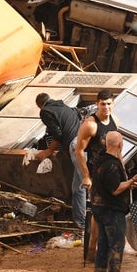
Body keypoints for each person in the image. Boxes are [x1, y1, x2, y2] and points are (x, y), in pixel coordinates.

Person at [90, 130, 137, 272]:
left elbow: (110, 185)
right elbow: (115, 189)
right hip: (111, 210)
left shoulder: (99, 160)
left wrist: (128, 184)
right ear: (120, 145)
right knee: (116, 244)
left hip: (99, 208)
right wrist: (133, 180)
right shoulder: (112, 165)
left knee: (104, 242)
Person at [26, 92, 86, 228]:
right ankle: (84, 221)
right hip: (83, 141)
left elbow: (57, 134)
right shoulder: (64, 106)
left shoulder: (45, 112)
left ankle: (82, 223)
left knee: (79, 187)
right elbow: (76, 118)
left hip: (76, 145)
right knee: (81, 184)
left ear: (39, 106)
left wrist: (48, 151)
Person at [75, 90, 120, 205]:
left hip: (112, 171)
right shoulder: (91, 125)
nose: (106, 107)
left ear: (113, 104)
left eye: (109, 104)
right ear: (97, 104)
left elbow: (117, 147)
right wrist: (86, 176)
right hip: (96, 172)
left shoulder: (115, 120)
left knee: (113, 205)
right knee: (98, 208)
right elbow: (79, 150)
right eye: (103, 104)